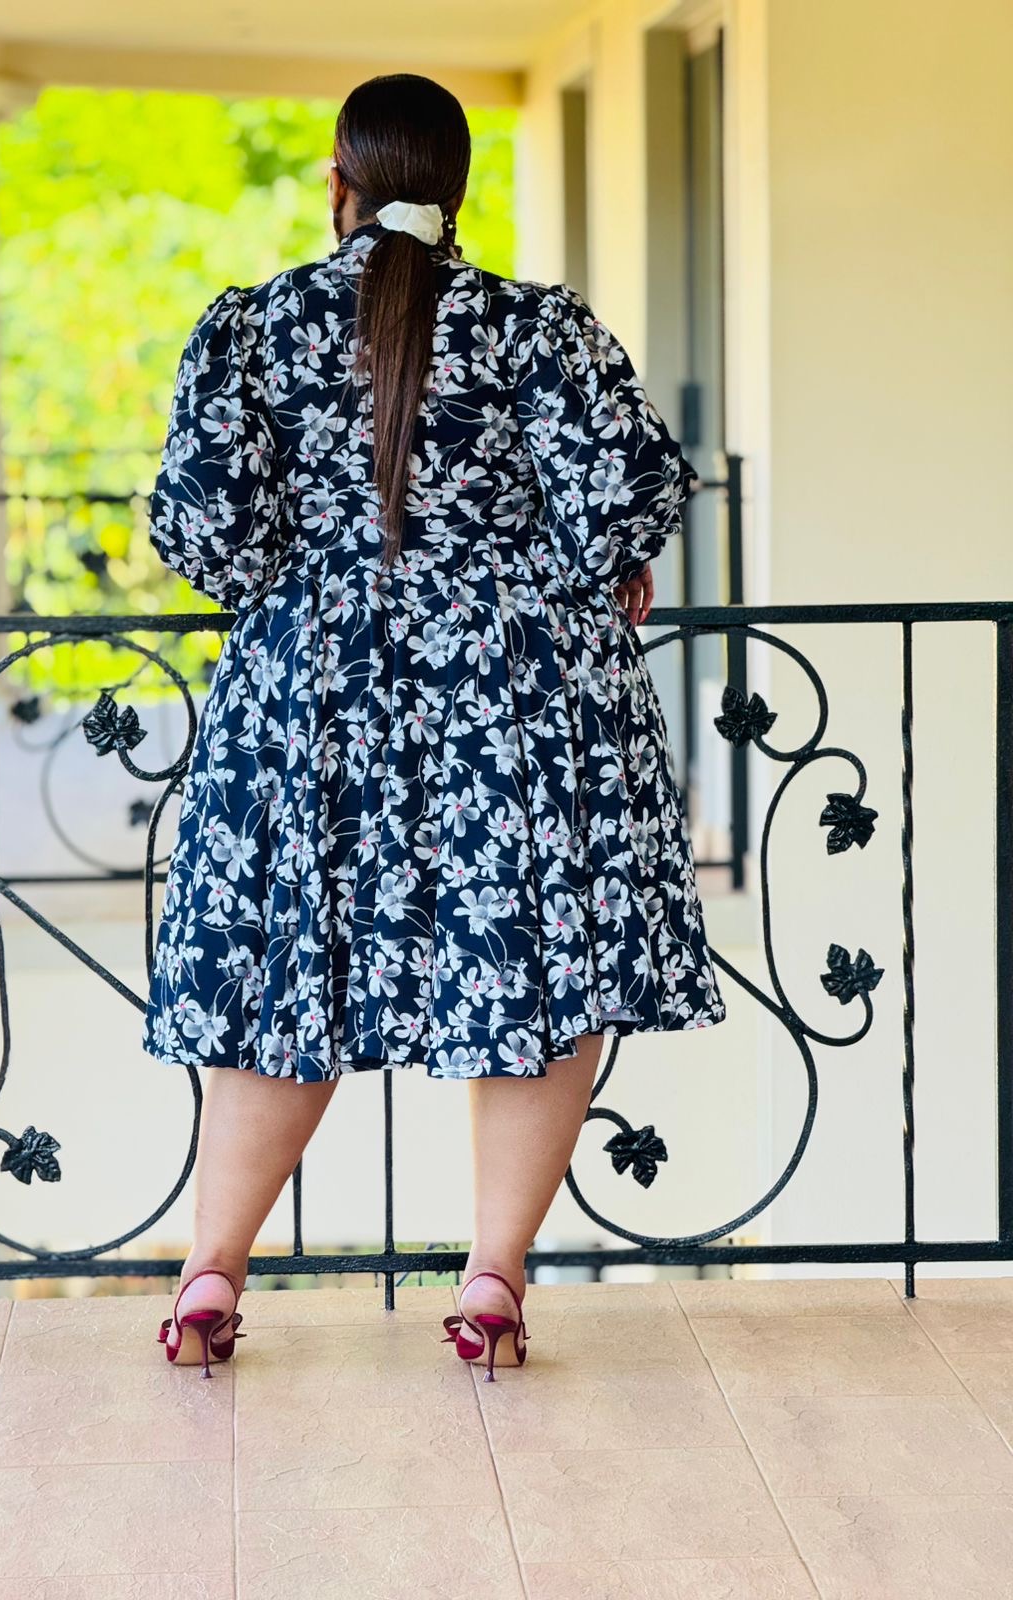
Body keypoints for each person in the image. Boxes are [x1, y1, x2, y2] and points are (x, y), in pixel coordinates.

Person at [145, 73, 727, 1380]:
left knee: (289, 970)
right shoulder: (538, 329)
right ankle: (492, 1283)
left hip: (315, 692)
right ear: (457, 191)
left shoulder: (251, 330)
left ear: (337, 186)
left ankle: (210, 1274)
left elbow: (212, 535)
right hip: (513, 694)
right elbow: (623, 503)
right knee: (528, 971)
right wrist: (590, 567)